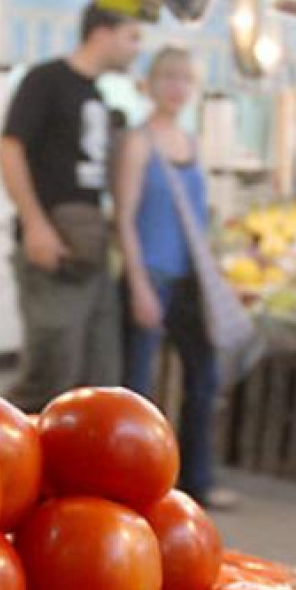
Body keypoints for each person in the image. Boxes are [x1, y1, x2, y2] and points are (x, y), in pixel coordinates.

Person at [0, 2, 142, 412]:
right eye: (132, 37)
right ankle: (4, 459)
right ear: (102, 33)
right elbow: (9, 149)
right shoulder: (46, 80)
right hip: (52, 248)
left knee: (98, 379)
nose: (136, 49)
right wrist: (35, 225)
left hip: (92, 251)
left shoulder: (97, 94)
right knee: (48, 375)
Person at [115, 45, 234, 509]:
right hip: (151, 276)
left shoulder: (193, 143)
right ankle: (134, 487)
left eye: (185, 79)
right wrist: (138, 283)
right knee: (138, 390)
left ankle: (196, 481)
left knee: (204, 377)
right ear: (151, 83)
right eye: (168, 78)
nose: (177, 88)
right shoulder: (138, 142)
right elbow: (124, 218)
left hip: (189, 280)